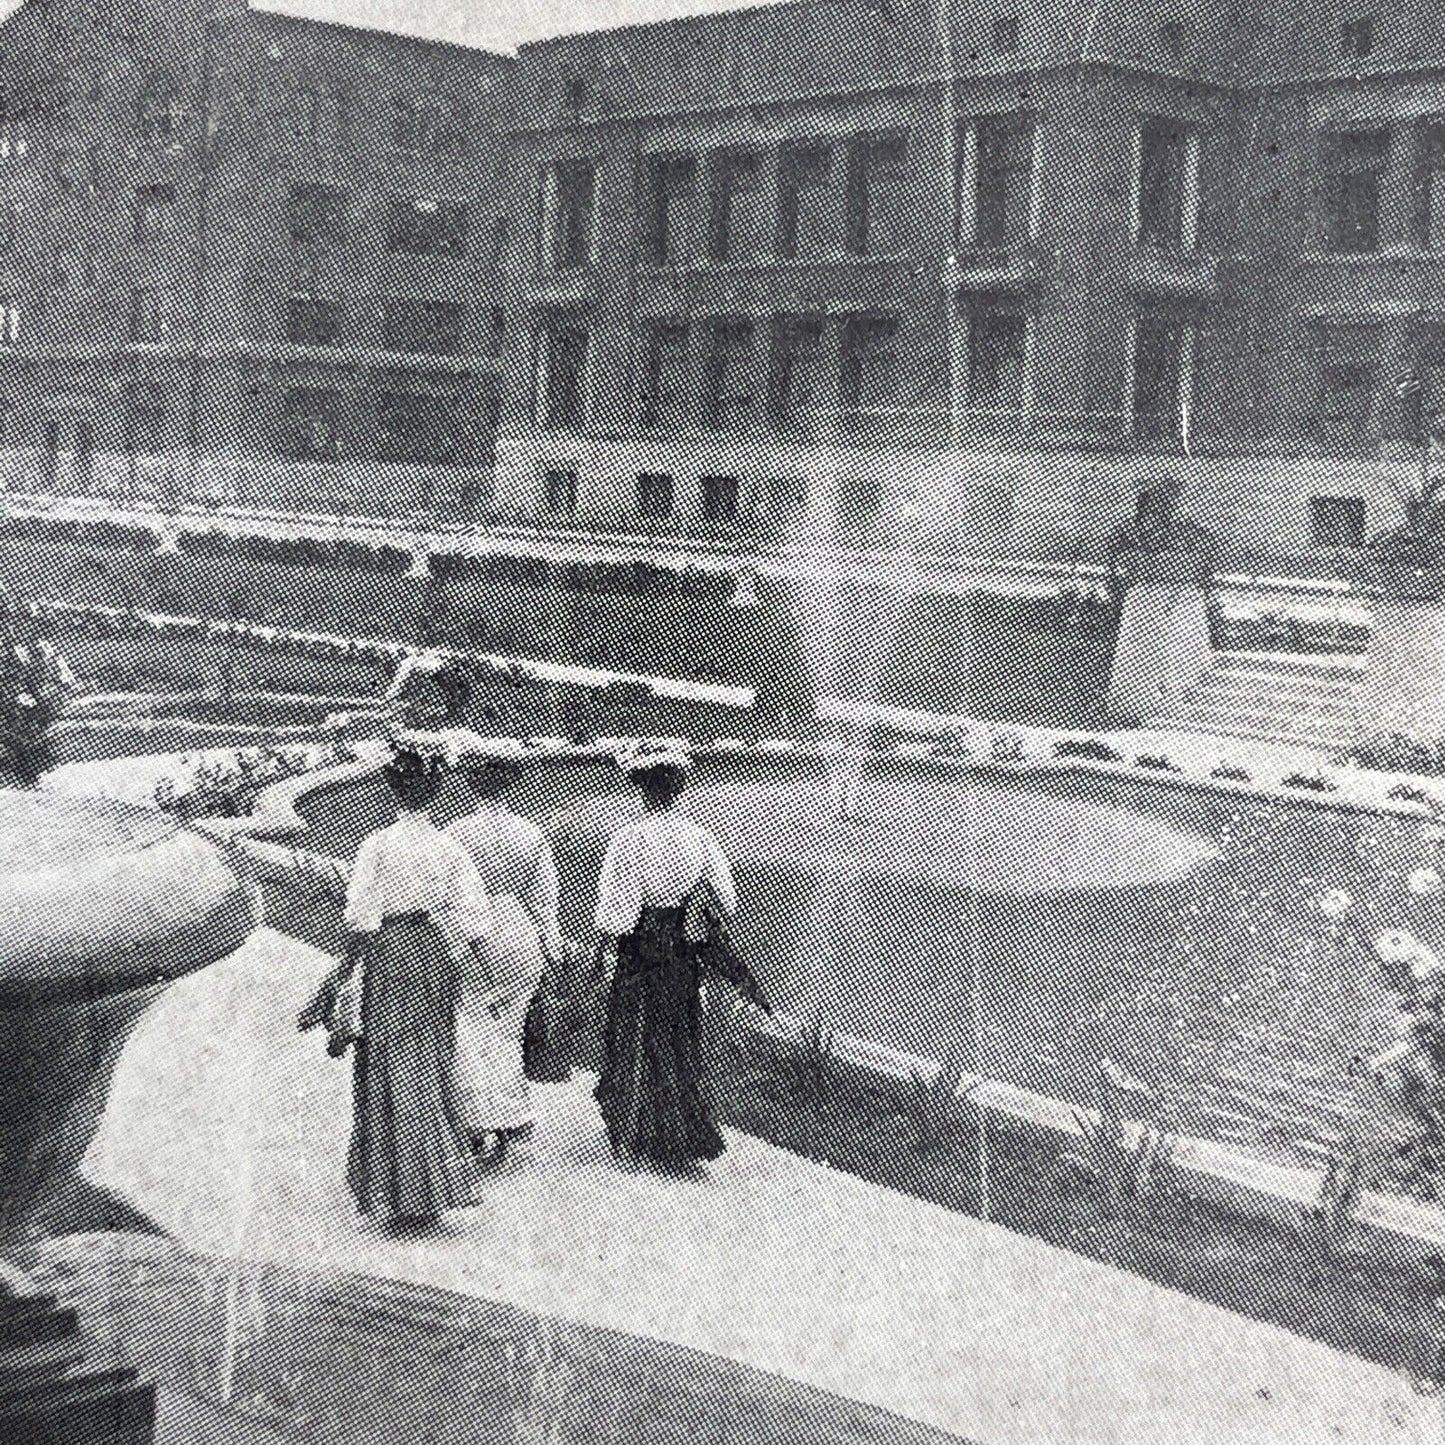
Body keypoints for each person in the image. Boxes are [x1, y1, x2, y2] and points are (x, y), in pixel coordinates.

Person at [338, 744, 492, 1229]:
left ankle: (392, 1182)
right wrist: (462, 951)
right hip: (433, 953)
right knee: (429, 1060)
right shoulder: (450, 848)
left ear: (391, 788)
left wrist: (344, 972)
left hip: (389, 951)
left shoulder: (375, 845)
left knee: (385, 1058)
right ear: (438, 789)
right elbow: (474, 916)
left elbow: (360, 916)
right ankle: (429, 1180)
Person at [592, 740, 745, 1168]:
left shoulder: (628, 837)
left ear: (642, 788)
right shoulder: (700, 837)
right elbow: (727, 900)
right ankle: (676, 1132)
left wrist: (609, 948)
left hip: (641, 939)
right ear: (678, 789)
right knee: (676, 1031)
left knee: (633, 1028)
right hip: (679, 942)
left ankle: (634, 1128)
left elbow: (615, 909)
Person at [444, 736, 562, 1168]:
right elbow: (544, 903)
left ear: (472, 783)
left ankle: (475, 1121)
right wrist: (549, 947)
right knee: (508, 1033)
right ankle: (511, 1115)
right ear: (511, 784)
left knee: (471, 1029)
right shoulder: (530, 834)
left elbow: (448, 899)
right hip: (519, 935)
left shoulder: (456, 834)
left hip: (473, 936)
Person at [1104, 476, 1218, 726]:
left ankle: (1172, 700)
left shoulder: (1190, 532)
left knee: (1174, 652)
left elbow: (1203, 562)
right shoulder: (1135, 529)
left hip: (1177, 596)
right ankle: (1138, 703)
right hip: (1147, 595)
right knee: (1144, 654)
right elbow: (1118, 555)